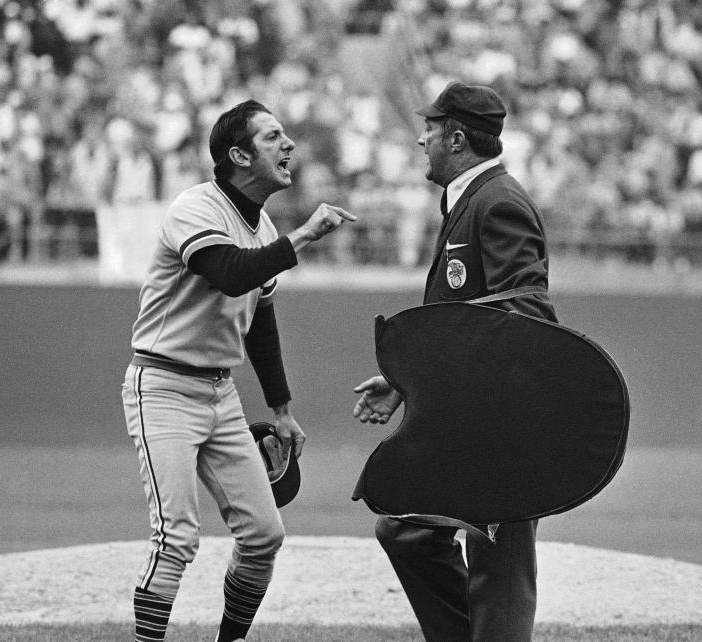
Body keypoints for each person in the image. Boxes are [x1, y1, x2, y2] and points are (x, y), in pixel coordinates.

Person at [121, 98, 355, 642]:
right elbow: (229, 273)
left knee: (263, 535)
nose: (288, 144)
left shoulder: (262, 221)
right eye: (272, 137)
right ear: (238, 155)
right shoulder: (195, 208)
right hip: (162, 387)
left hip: (219, 394)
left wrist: (282, 410)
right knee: (176, 536)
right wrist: (301, 238)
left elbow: (260, 320)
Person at [353, 81, 557, 641]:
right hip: (469, 422)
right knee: (406, 530)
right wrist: (409, 380)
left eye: (431, 129)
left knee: (500, 571)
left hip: (502, 424)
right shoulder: (473, 200)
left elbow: (529, 308)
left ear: (458, 138)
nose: (422, 140)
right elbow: (469, 315)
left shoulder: (499, 202)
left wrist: (429, 362)